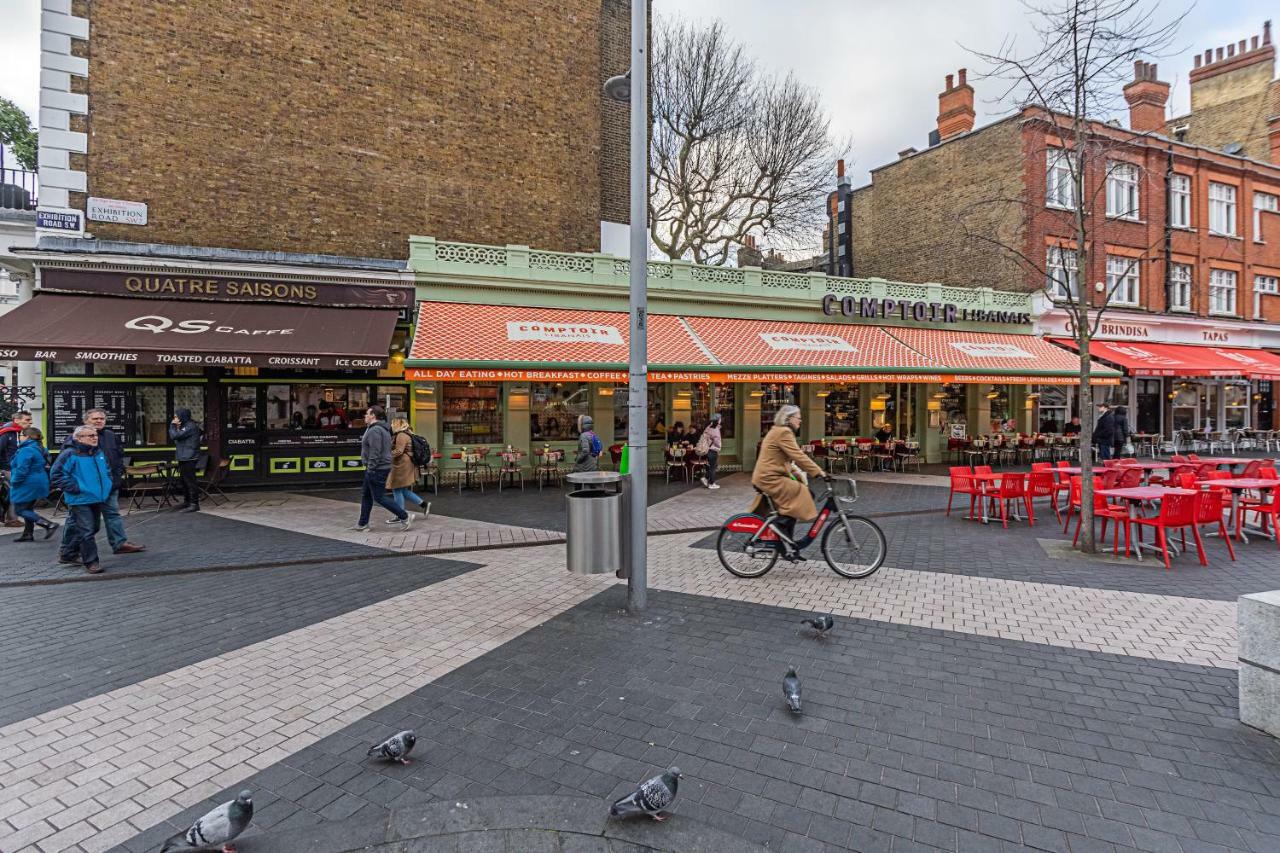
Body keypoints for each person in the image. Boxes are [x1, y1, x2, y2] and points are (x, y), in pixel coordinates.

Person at [55, 408, 145, 561]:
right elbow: (62, 468)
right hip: (85, 491)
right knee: (76, 521)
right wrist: (75, 487)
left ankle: (119, 543)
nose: (99, 421)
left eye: (102, 418)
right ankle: (67, 550)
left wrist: (115, 478)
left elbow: (118, 456)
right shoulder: (75, 438)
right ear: (85, 421)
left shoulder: (111, 436)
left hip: (108, 486)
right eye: (94, 419)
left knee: (112, 515)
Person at [750, 405, 828, 561]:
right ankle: (778, 527)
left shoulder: (778, 431)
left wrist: (799, 476)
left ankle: (788, 546)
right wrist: (819, 472)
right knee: (803, 493)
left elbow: (785, 461)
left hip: (770, 475)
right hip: (769, 478)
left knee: (798, 500)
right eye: (798, 417)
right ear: (789, 418)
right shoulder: (783, 432)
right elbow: (798, 456)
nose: (800, 421)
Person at [51, 425, 114, 574]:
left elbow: (106, 470)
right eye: (90, 436)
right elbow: (56, 475)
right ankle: (91, 562)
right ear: (78, 438)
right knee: (87, 531)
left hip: (97, 497)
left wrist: (108, 483)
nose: (94, 438)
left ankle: (67, 553)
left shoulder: (98, 452)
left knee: (92, 528)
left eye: (95, 435)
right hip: (80, 498)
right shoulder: (69, 454)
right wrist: (76, 488)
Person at [352, 405, 409, 531]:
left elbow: (375, 451)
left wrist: (371, 468)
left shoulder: (375, 430)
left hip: (377, 468)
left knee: (379, 497)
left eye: (367, 414)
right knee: (366, 495)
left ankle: (404, 516)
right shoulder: (379, 428)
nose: (365, 416)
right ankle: (362, 523)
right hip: (377, 467)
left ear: (373, 416)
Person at [10, 427, 58, 542]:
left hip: (27, 483)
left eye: (21, 435)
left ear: (27, 437)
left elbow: (22, 469)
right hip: (40, 481)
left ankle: (47, 524)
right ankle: (28, 534)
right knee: (28, 508)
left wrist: (14, 481)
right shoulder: (40, 448)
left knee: (20, 510)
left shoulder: (26, 450)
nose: (19, 438)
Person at [387, 417, 429, 518]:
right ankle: (424, 504)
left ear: (398, 424)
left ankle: (400, 515)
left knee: (396, 488)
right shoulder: (409, 433)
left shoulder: (401, 435)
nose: (391, 425)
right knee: (403, 490)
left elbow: (399, 451)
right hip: (407, 464)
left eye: (393, 423)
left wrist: (386, 455)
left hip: (401, 465)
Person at [0, 410, 33, 527]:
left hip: (12, 468)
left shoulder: (17, 432)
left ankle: (10, 517)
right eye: (27, 420)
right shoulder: (7, 433)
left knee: (12, 493)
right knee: (15, 492)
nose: (31, 422)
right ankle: (11, 519)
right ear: (17, 420)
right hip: (7, 468)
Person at [169, 408, 203, 512]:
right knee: (184, 481)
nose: (175, 419)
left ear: (182, 416)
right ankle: (187, 501)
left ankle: (194, 503)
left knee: (190, 481)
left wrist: (172, 425)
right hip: (183, 457)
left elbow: (174, 436)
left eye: (176, 417)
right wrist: (177, 427)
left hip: (189, 457)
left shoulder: (190, 426)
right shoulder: (184, 426)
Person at [698, 413, 723, 490]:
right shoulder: (715, 430)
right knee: (713, 467)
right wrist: (719, 447)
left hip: (707, 450)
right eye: (720, 419)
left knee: (713, 466)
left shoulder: (708, 427)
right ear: (718, 420)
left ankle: (705, 478)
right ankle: (712, 483)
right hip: (713, 450)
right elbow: (717, 442)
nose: (721, 420)